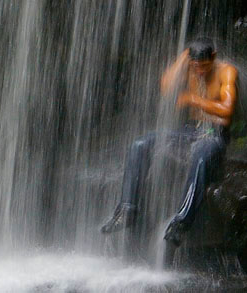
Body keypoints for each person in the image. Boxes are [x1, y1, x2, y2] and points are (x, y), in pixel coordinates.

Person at [100, 37, 238, 247]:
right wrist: (183, 59)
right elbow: (166, 88)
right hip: (188, 130)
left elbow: (226, 111)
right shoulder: (189, 67)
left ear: (214, 57)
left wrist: (192, 99)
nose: (200, 71)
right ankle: (128, 209)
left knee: (200, 156)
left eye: (204, 66)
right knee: (140, 144)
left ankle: (182, 223)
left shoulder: (226, 71)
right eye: (196, 66)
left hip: (214, 132)